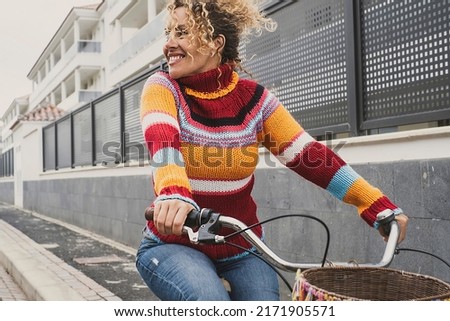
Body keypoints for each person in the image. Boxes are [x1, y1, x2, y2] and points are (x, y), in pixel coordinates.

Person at [136, 0, 409, 301]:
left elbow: (311, 155)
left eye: (182, 33)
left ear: (215, 43)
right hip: (175, 244)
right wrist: (174, 193)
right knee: (210, 302)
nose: (168, 44)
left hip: (241, 246)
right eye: (168, 33)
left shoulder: (255, 100)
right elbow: (163, 143)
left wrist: (375, 203)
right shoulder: (162, 87)